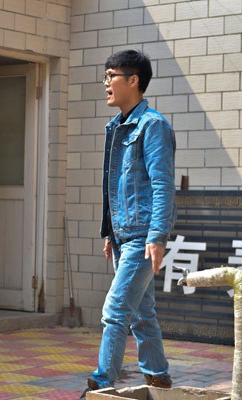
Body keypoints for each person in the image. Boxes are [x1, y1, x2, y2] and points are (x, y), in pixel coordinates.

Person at [80, 50, 176, 398]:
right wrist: (109, 231)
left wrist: (157, 236)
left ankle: (103, 380)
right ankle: (158, 376)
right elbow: (115, 184)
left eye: (111, 76)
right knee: (142, 313)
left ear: (133, 80)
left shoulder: (153, 126)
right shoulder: (117, 126)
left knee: (116, 310)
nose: (105, 83)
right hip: (123, 236)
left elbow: (163, 184)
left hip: (141, 236)